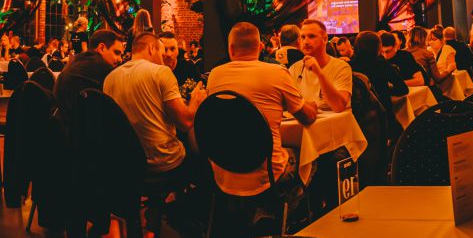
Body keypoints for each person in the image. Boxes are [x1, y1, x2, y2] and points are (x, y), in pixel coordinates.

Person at [204, 21, 316, 196]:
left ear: (231, 49)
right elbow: (307, 118)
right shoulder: (277, 73)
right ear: (260, 47)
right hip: (268, 175)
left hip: (224, 171)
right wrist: (312, 106)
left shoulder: (215, 75)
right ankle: (283, 209)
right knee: (310, 156)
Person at [105, 31, 197, 185]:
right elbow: (185, 122)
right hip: (165, 163)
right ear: (151, 48)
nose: (163, 59)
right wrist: (196, 99)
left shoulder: (109, 78)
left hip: (129, 164)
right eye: (161, 54)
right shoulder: (161, 72)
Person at [54, 28, 126, 111]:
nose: (120, 59)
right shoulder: (103, 68)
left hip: (61, 115)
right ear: (102, 48)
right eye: (116, 53)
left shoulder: (76, 61)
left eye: (121, 55)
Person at [289, 18, 351, 112]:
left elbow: (338, 106)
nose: (306, 42)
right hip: (309, 120)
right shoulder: (294, 69)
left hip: (336, 121)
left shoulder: (342, 67)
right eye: (303, 37)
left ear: (325, 39)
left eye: (311, 36)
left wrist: (319, 73)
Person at [350, 30, 408, 113]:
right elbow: (403, 89)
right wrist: (386, 91)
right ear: (378, 47)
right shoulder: (382, 64)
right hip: (381, 111)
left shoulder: (350, 66)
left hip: (358, 113)